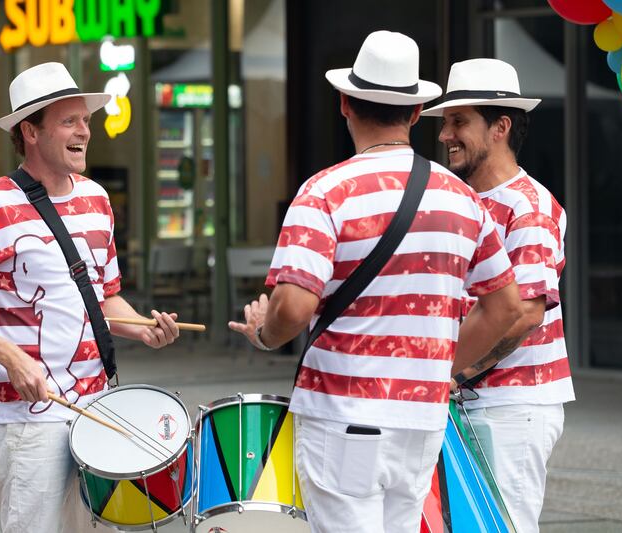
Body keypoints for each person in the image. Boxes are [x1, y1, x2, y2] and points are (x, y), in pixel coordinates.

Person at [228, 31, 523, 533]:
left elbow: (294, 310)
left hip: (343, 410)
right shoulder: (462, 199)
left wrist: (264, 332)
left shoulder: (323, 192)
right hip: (421, 416)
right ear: (414, 112)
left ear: (344, 104)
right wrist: (431, 369)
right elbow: (506, 309)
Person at [0, 62, 180, 533]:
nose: (85, 132)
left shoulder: (97, 200)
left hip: (99, 410)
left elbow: (105, 299)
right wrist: (9, 356)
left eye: (86, 121)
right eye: (69, 122)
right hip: (28, 421)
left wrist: (144, 327)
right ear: (30, 131)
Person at [422, 57, 576, 533]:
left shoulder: (529, 208)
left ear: (500, 127)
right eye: (445, 122)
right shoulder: (467, 199)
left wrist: (456, 371)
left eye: (459, 121)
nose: (445, 134)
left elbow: (525, 314)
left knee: (499, 527)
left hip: (513, 406)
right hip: (473, 399)